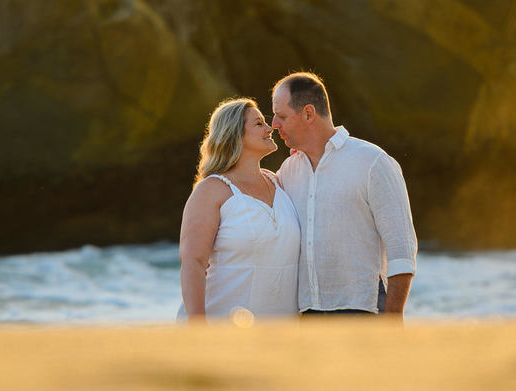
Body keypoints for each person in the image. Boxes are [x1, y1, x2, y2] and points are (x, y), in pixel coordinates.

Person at [271, 72, 417, 316]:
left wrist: (393, 321)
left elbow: (401, 248)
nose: (274, 124)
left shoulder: (373, 162)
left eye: (282, 116)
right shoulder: (288, 171)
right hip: (306, 315)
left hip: (364, 309)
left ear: (308, 114)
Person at [177, 97, 301, 321]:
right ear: (234, 135)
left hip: (280, 334)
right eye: (259, 123)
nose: (270, 127)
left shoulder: (281, 183)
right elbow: (192, 262)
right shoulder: (212, 190)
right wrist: (197, 329)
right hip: (221, 328)